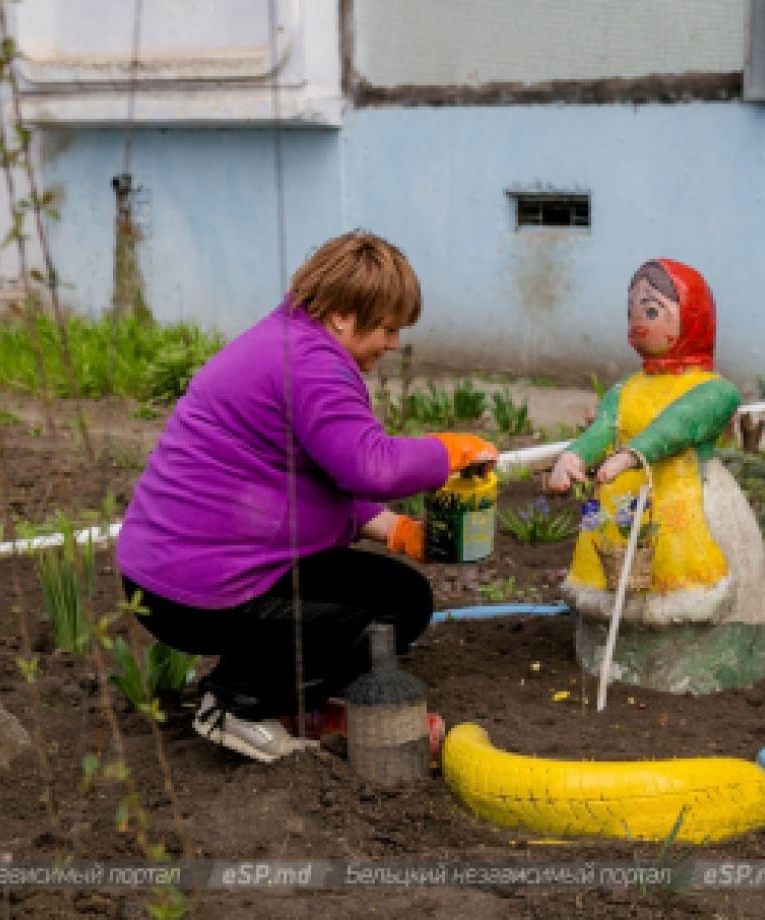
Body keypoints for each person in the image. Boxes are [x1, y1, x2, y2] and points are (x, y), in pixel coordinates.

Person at [117, 231, 496, 764]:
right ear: (342, 314)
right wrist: (447, 452)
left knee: (399, 594)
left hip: (178, 572)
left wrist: (393, 530)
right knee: (384, 613)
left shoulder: (289, 342)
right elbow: (371, 466)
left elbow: (319, 470)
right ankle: (236, 703)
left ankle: (284, 701)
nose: (392, 343)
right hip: (197, 589)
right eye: (386, 329)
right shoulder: (313, 365)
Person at [547, 259, 741, 626]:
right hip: (621, 503)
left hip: (679, 501)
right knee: (608, 582)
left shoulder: (714, 390)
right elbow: (602, 430)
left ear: (692, 318)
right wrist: (573, 457)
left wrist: (631, 456)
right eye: (632, 311)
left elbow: (677, 425)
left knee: (680, 590)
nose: (638, 322)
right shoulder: (625, 389)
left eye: (652, 311)